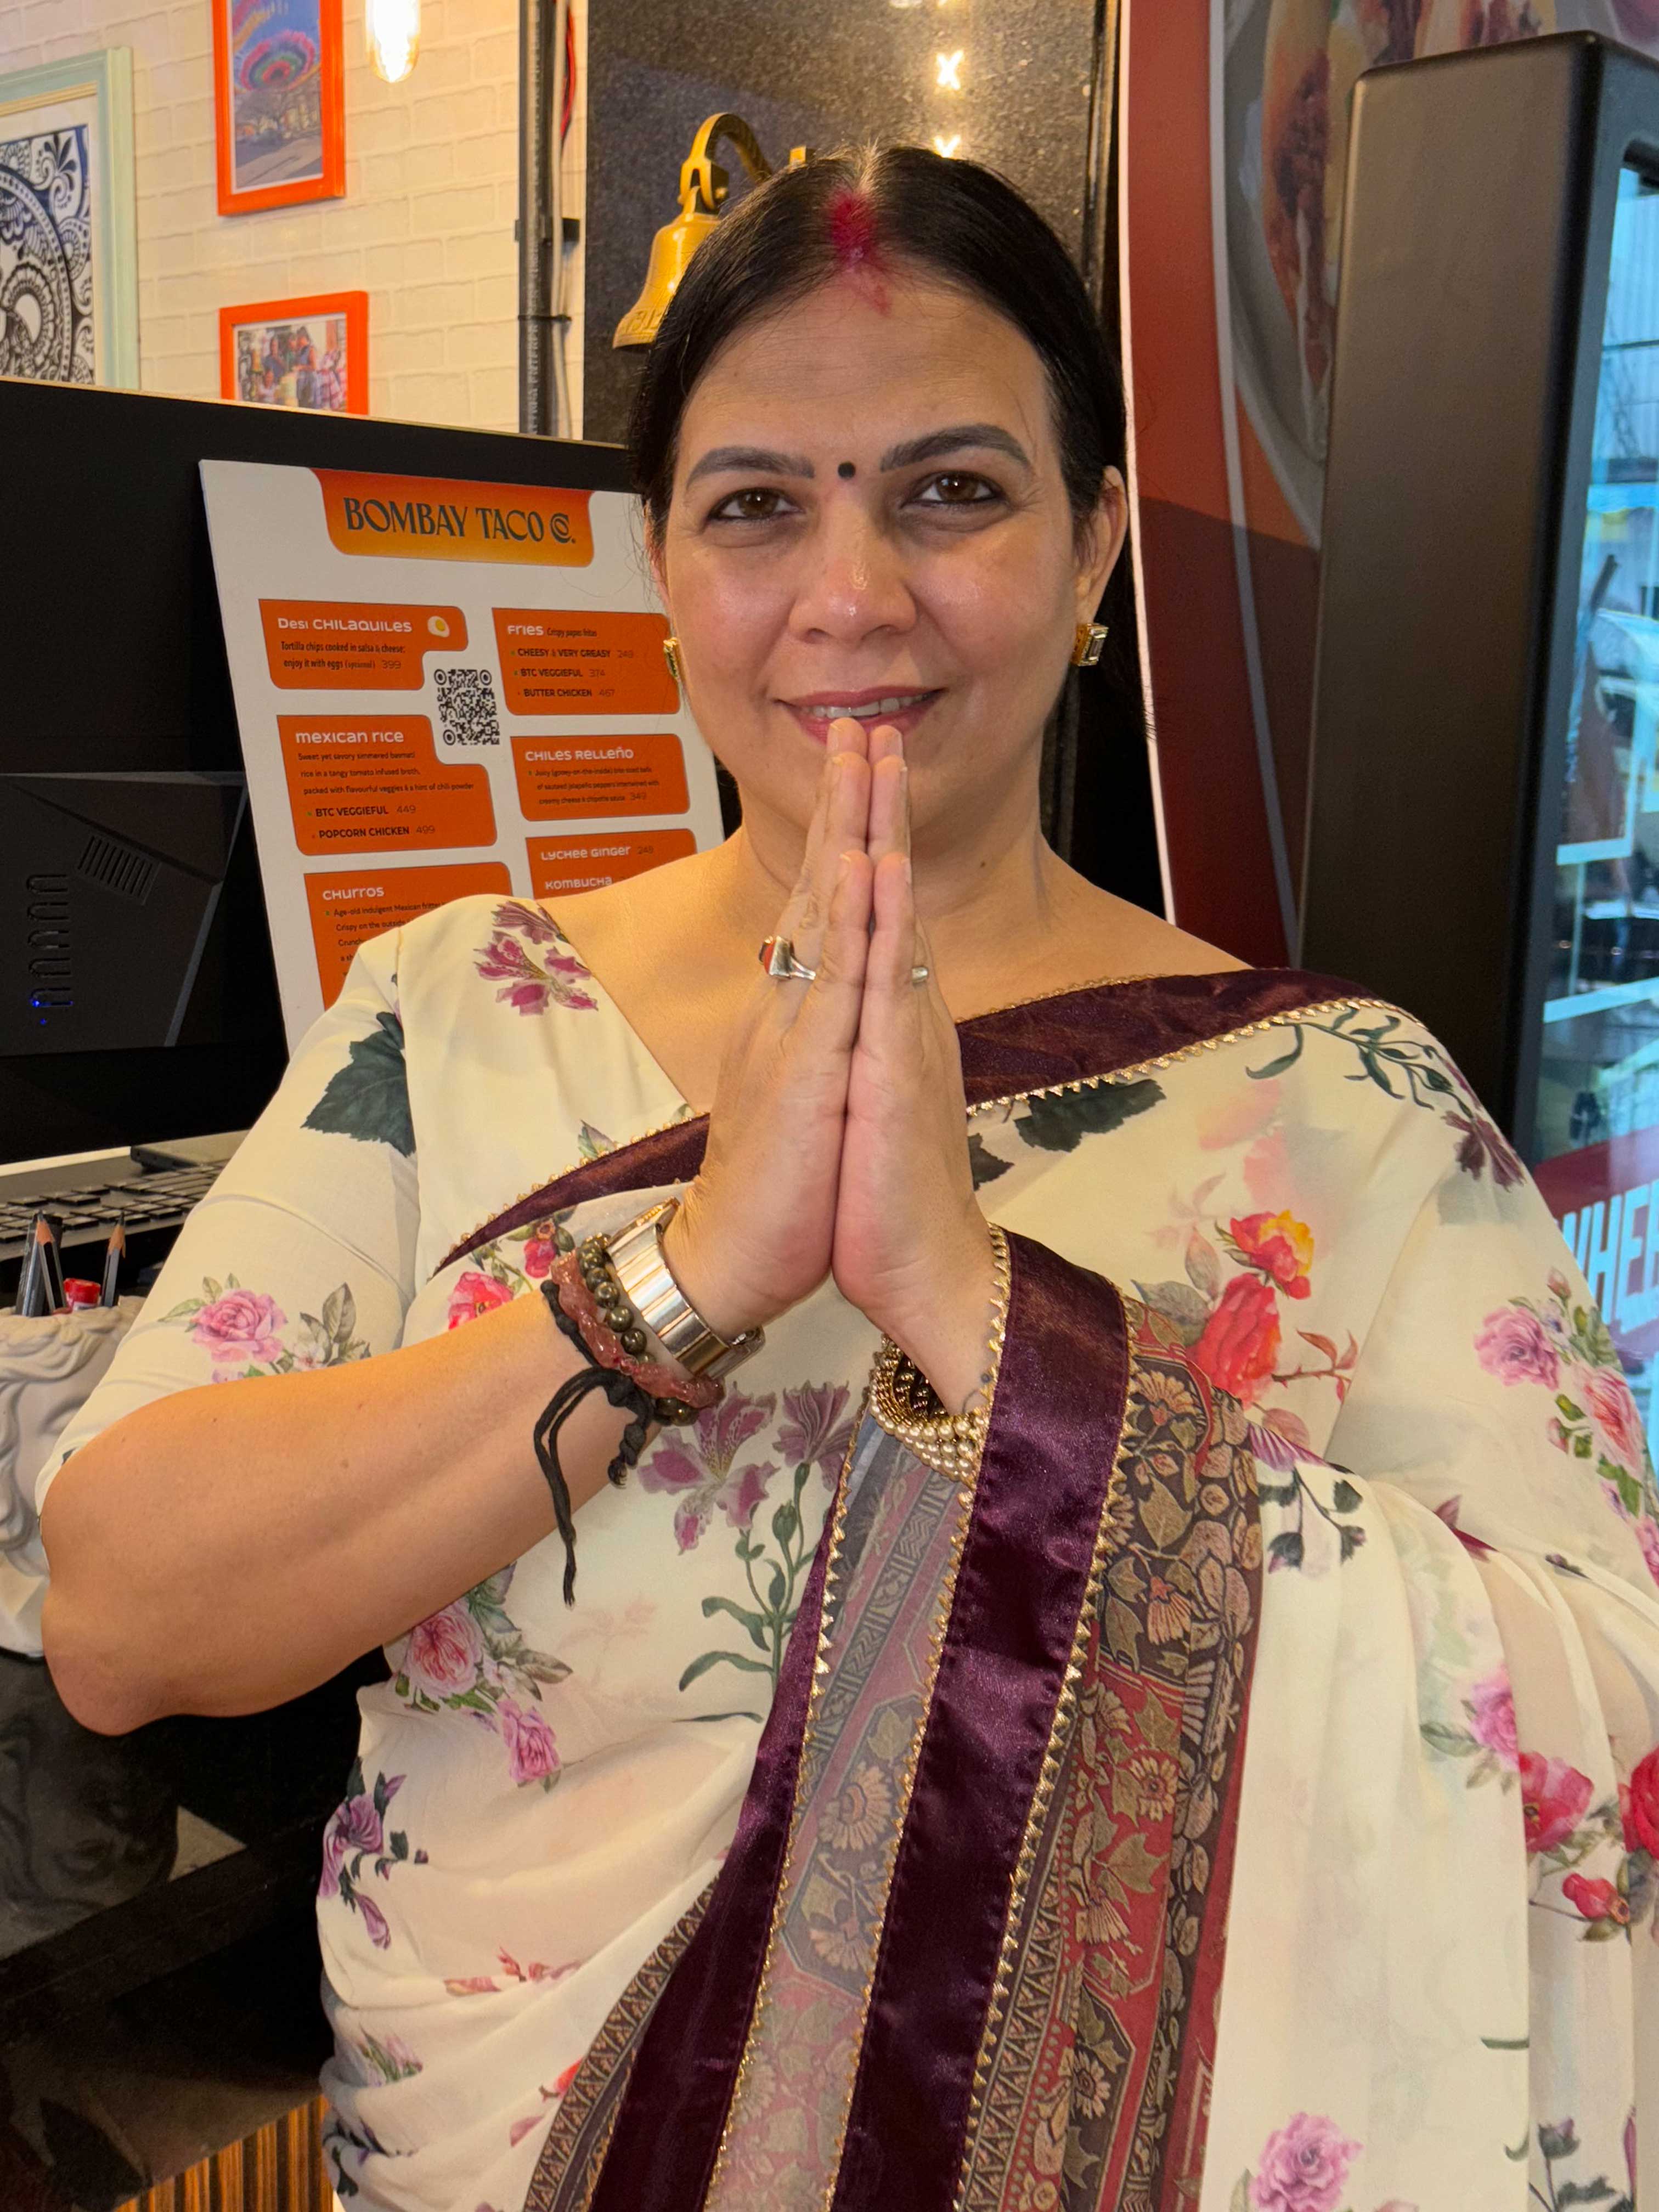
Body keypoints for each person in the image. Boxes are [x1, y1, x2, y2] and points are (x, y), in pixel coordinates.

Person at [30, 146, 1658, 2212]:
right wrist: (696, 1276)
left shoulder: (1339, 1104)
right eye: (757, 505)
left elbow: (1606, 1743)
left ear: (1098, 553)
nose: (851, 594)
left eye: (954, 492)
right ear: (660, 565)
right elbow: (123, 1615)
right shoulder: (461, 1007)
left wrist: (986, 1315)